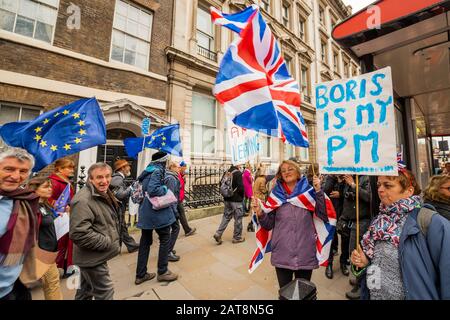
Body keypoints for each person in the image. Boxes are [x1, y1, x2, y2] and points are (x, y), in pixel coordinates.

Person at [351, 170, 450, 300]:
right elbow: (375, 264)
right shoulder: (378, 221)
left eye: (388, 185)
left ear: (408, 191)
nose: (380, 189)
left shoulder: (430, 221)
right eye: (379, 185)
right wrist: (364, 263)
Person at [252, 160, 326, 291]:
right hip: (282, 252)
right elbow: (268, 224)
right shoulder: (275, 194)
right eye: (283, 170)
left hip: (305, 252)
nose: (286, 172)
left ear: (298, 172)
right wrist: (261, 213)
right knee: (285, 293)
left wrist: (319, 191)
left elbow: (322, 215)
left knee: (303, 293)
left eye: (290, 169)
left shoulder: (309, 192)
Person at [69, 163, 120, 300]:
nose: (104, 181)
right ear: (90, 179)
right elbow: (79, 233)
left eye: (107, 176)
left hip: (91, 256)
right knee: (105, 292)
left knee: (84, 292)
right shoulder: (83, 201)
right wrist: (106, 242)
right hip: (92, 258)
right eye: (99, 177)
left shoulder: (101, 192)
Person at [0, 147, 39, 300]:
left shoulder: (24, 199)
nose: (16, 176)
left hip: (14, 287)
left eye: (23, 171)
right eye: (9, 169)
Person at [135, 151, 178, 285]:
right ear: (163, 161)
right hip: (156, 212)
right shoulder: (158, 170)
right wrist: (165, 189)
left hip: (145, 212)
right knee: (165, 238)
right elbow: (153, 190)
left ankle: (140, 274)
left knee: (145, 242)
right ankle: (163, 271)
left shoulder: (147, 170)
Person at [27, 176, 63, 300]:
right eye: (46, 187)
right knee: (52, 283)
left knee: (51, 283)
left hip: (48, 251)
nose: (50, 189)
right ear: (35, 189)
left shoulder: (43, 205)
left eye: (50, 186)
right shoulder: (31, 207)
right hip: (40, 252)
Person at [339, 174, 371, 300]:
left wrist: (353, 185)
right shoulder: (351, 177)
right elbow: (346, 200)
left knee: (358, 253)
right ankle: (359, 278)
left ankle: (360, 285)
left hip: (362, 221)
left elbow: (368, 197)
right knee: (352, 252)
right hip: (351, 221)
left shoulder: (366, 178)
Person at [49, 158, 75, 278]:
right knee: (60, 243)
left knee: (66, 242)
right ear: (59, 169)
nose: (72, 170)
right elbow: (48, 198)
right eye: (69, 168)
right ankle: (57, 268)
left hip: (66, 217)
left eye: (72, 168)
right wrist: (62, 206)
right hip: (58, 217)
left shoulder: (65, 181)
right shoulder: (53, 182)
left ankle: (65, 266)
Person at [110, 159, 139, 253]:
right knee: (120, 227)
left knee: (122, 226)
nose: (129, 168)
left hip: (118, 208)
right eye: (128, 166)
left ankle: (130, 245)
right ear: (122, 168)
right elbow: (120, 195)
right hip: (116, 208)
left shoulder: (118, 178)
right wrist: (131, 188)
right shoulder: (117, 179)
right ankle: (129, 246)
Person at [213, 164, 245, 244]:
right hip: (236, 200)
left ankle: (218, 233)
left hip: (227, 199)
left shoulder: (226, 172)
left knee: (226, 217)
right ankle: (237, 237)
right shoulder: (238, 173)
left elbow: (221, 184)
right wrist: (241, 197)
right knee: (238, 219)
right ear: (237, 165)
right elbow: (241, 187)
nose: (241, 165)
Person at [323, 174, 347, 279]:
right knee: (331, 241)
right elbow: (325, 191)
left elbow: (350, 193)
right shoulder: (330, 177)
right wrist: (333, 176)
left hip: (344, 214)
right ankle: (329, 265)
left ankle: (343, 262)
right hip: (331, 214)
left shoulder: (347, 177)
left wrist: (340, 194)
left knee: (345, 240)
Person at [165, 161, 181, 262]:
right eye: (178, 167)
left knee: (169, 230)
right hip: (171, 208)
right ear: (172, 167)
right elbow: (170, 196)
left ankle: (168, 249)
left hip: (169, 208)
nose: (179, 169)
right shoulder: (171, 178)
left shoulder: (170, 176)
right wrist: (175, 211)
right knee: (176, 228)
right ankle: (168, 252)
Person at [177, 161, 196, 236]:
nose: (185, 168)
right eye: (184, 167)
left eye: (185, 167)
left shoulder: (181, 175)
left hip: (179, 198)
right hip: (177, 198)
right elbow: (179, 186)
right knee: (181, 214)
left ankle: (187, 230)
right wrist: (182, 178)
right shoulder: (178, 175)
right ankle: (187, 230)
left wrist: (183, 178)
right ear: (180, 167)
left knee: (179, 215)